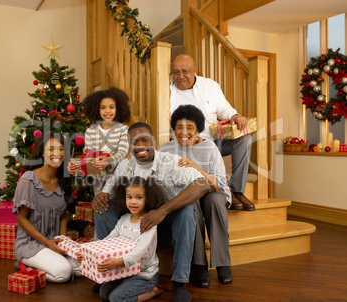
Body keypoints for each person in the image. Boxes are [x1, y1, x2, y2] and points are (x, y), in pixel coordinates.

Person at [92, 122, 214, 302]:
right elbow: (107, 192)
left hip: (164, 227)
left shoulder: (169, 161)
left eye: (144, 140)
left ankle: (179, 281)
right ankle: (110, 271)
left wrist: (162, 210)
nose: (140, 146)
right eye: (135, 142)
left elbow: (203, 183)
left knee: (186, 211)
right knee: (103, 209)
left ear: (153, 141)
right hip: (133, 228)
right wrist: (99, 196)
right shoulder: (125, 166)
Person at [159, 104, 233, 288]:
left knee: (215, 201)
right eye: (180, 127)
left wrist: (195, 167)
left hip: (211, 193)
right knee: (189, 204)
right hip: (184, 198)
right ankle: (199, 264)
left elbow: (219, 186)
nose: (184, 132)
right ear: (173, 129)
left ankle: (223, 262)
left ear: (198, 129)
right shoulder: (165, 149)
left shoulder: (209, 148)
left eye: (190, 127)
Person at [170, 54, 254, 211]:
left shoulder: (210, 86)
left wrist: (234, 116)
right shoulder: (167, 91)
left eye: (185, 71)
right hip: (189, 147)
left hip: (215, 141)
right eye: (176, 72)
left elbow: (224, 109)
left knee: (245, 139)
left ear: (194, 71)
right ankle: (223, 191)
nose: (180, 77)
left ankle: (237, 190)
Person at [12, 133, 82, 283]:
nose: (57, 154)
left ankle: (55, 261)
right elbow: (21, 218)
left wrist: (63, 240)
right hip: (31, 244)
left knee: (84, 267)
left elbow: (63, 215)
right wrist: (47, 243)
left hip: (54, 241)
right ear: (42, 153)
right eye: (51, 149)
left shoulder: (63, 179)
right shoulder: (28, 180)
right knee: (64, 273)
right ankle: (24, 264)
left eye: (61, 149)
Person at [96, 176, 165, 302]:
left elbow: (138, 252)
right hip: (126, 272)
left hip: (144, 274)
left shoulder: (149, 223)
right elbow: (108, 240)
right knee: (104, 293)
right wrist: (89, 250)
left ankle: (151, 292)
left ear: (148, 198)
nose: (133, 202)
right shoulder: (124, 219)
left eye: (139, 197)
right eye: (129, 197)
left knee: (115, 299)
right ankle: (128, 286)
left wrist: (117, 262)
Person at [69, 87, 132, 194]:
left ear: (118, 109)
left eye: (111, 107)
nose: (107, 111)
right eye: (103, 107)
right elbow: (88, 154)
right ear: (97, 109)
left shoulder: (124, 130)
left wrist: (109, 161)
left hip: (118, 178)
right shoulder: (90, 131)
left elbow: (122, 154)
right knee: (100, 205)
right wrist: (75, 165)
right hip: (98, 177)